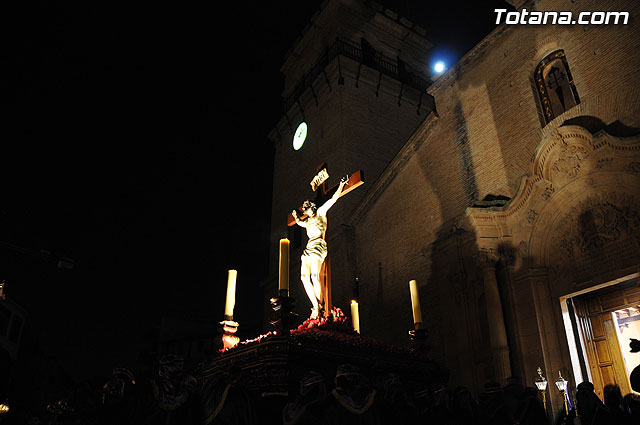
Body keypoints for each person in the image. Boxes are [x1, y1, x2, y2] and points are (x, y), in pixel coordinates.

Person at [292, 175, 348, 319]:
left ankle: (320, 306)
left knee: (315, 276)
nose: (304, 210)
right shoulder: (307, 221)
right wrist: (296, 216)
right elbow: (299, 222)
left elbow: (333, 199)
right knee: (304, 277)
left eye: (305, 207)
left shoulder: (321, 213)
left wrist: (341, 185)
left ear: (311, 207)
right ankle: (315, 305)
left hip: (318, 246)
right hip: (308, 249)